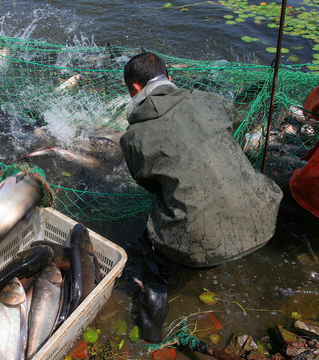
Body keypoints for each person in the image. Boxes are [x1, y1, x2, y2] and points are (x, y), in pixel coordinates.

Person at [119, 52, 283, 343]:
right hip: (265, 220)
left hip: (197, 244)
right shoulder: (211, 99)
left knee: (149, 245)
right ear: (169, 79)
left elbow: (147, 183)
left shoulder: (133, 136)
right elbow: (234, 132)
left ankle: (151, 331)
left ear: (134, 89)